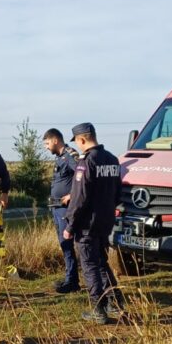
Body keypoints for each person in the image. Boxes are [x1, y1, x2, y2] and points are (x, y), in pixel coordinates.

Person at [63, 122, 125, 324]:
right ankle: (114, 305)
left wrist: (70, 226)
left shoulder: (86, 162)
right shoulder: (113, 160)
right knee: (102, 262)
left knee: (90, 265)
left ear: (81, 139)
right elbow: (117, 193)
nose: (78, 146)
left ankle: (98, 309)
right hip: (106, 221)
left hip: (87, 224)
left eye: (78, 142)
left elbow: (79, 198)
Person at [43, 128, 81, 293]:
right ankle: (70, 279)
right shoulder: (60, 158)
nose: (46, 147)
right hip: (57, 207)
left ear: (55, 140)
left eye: (47, 143)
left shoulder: (69, 155)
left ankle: (72, 281)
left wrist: (72, 195)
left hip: (66, 209)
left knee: (68, 243)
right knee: (64, 245)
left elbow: (83, 176)